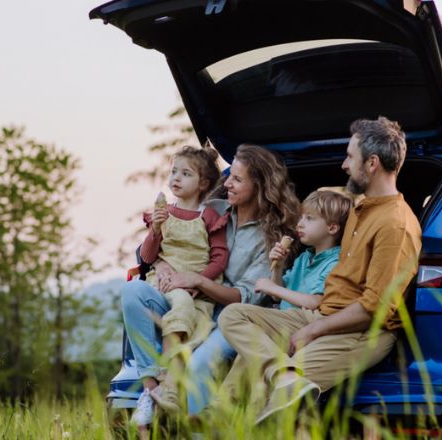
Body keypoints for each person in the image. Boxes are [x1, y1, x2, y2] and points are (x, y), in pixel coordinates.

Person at [218, 116, 422, 424]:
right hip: (323, 314)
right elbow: (321, 206)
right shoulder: (360, 207)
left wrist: (312, 330)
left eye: (350, 157)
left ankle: (279, 386)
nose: (343, 164)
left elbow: (374, 309)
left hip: (360, 331)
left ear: (372, 163)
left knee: (273, 402)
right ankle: (280, 375)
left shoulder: (396, 225)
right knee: (234, 315)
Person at [120, 144, 300, 426]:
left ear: (260, 186)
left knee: (200, 364)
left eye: (237, 179)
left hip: (232, 317)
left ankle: (196, 429)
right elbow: (163, 247)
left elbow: (248, 298)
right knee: (133, 291)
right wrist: (161, 264)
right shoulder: (213, 209)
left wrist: (198, 280)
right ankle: (152, 389)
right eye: (230, 176)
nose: (226, 183)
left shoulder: (270, 237)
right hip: (186, 301)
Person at [138, 145, 229, 414]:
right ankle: (168, 381)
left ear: (203, 184)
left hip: (194, 285)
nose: (175, 178)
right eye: (174, 171)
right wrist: (155, 229)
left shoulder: (209, 216)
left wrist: (195, 281)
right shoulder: (164, 213)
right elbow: (147, 256)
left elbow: (219, 259)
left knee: (190, 309)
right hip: (164, 283)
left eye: (185, 173)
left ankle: (171, 385)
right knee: (182, 305)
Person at [254, 189, 352, 311]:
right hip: (284, 318)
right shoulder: (304, 257)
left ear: (332, 228)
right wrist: (278, 267)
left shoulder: (335, 262)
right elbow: (276, 298)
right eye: (301, 218)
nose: (300, 224)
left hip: (303, 322)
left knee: (234, 313)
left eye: (309, 218)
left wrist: (273, 288)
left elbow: (315, 302)